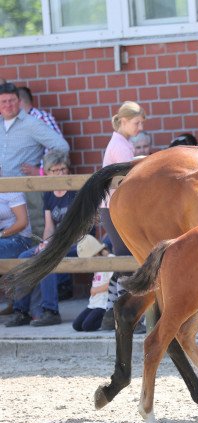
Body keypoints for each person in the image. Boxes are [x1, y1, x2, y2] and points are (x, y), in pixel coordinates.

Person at [4, 150, 78, 327]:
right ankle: (22, 311)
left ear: (68, 170)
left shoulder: (75, 190)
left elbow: (78, 228)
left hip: (78, 242)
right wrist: (45, 243)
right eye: (54, 170)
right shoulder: (49, 194)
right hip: (55, 243)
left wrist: (51, 246)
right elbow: (49, 226)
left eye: (62, 169)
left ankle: (51, 311)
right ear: (47, 172)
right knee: (23, 258)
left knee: (46, 258)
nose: (59, 174)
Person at [0, 82, 69, 239]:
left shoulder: (32, 124)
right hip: (3, 192)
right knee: (9, 235)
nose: (8, 105)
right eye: (3, 101)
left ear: (19, 101)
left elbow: (61, 146)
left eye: (11, 100)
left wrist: (40, 170)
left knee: (35, 233)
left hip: (27, 190)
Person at [99, 101, 145, 331]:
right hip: (115, 206)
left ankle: (114, 312)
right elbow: (130, 175)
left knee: (123, 258)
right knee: (126, 259)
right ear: (124, 121)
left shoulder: (118, 142)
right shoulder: (122, 145)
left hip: (110, 205)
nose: (140, 127)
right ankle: (126, 314)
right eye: (136, 123)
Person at [72, 235, 114, 332]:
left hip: (104, 304)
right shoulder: (96, 265)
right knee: (77, 325)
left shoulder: (110, 259)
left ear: (96, 253)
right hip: (94, 303)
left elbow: (113, 283)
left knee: (87, 326)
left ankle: (111, 320)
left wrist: (95, 290)